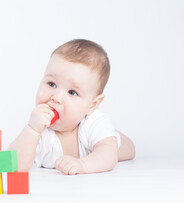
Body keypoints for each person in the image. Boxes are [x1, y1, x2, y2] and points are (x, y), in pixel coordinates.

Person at [8, 39, 136, 175]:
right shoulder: (40, 132)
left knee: (125, 149)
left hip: (112, 143)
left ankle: (113, 135)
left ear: (92, 105)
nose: (56, 97)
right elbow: (12, 166)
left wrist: (82, 165)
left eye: (72, 92)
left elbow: (108, 156)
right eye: (51, 84)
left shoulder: (94, 122)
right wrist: (32, 130)